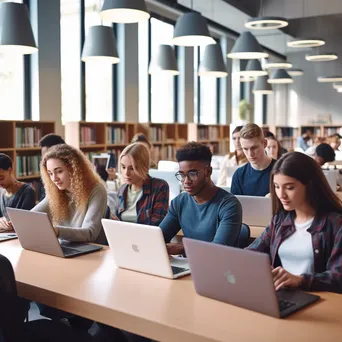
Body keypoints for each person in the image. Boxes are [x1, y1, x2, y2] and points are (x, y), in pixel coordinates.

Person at [247, 152, 342, 293]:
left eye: (289, 187)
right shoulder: (280, 220)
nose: (281, 195)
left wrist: (300, 280)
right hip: (283, 295)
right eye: (276, 186)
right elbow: (251, 252)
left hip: (319, 299)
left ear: (310, 185)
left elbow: (338, 277)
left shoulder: (336, 223)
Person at [160, 142, 242, 255]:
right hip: (188, 265)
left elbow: (219, 250)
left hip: (218, 268)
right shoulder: (179, 202)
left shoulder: (229, 205)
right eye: (182, 175)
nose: (186, 181)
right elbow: (159, 239)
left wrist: (183, 249)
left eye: (192, 174)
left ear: (208, 171)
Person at [32, 144, 107, 242]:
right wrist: (10, 223)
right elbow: (32, 216)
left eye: (59, 171)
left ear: (74, 169)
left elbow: (89, 233)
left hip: (89, 251)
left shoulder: (97, 190)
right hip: (65, 248)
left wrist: (58, 231)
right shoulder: (56, 191)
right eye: (50, 173)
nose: (54, 178)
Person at [114, 142, 169, 226]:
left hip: (146, 238)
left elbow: (156, 226)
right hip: (122, 237)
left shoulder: (160, 187)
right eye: (123, 167)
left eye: (132, 168)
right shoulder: (121, 190)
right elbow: (116, 223)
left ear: (144, 166)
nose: (126, 173)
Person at [231, 123, 276, 196]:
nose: (250, 154)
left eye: (254, 148)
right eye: (245, 149)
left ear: (264, 144)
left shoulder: (280, 170)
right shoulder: (239, 175)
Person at [0, 153, 35, 231]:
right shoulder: (2, 193)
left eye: (1, 178)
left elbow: (25, 221)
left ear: (10, 170)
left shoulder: (27, 191)